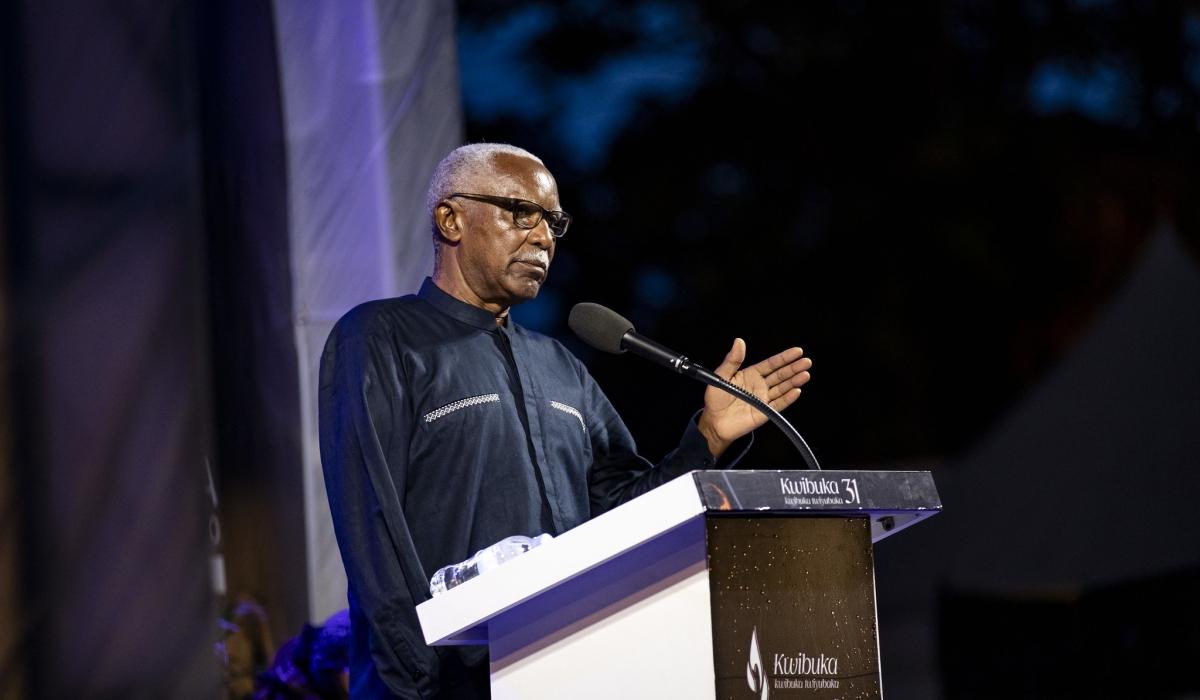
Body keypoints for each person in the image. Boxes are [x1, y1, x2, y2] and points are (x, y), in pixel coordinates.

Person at [319, 143, 812, 699]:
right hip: (443, 684)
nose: (544, 237)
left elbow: (622, 515)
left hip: (567, 670)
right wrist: (419, 678)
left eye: (554, 222)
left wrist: (708, 438)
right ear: (451, 219)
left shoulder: (560, 367)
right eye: (521, 213)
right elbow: (372, 523)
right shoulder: (379, 337)